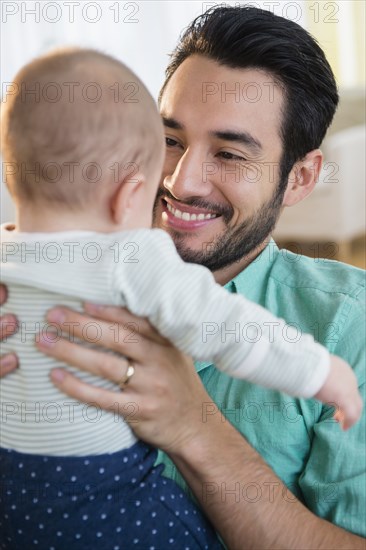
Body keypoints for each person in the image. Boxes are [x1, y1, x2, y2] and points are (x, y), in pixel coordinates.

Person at [1, 5, 365, 549]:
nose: (181, 180)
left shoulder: (348, 325)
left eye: (229, 154)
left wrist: (193, 428)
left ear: (301, 176)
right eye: (169, 139)